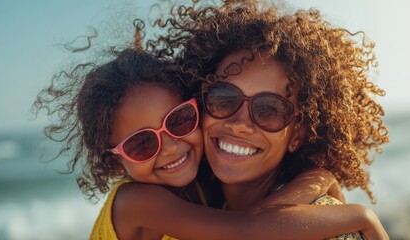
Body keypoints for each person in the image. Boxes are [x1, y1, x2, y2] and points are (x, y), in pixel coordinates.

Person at [34, 44, 387, 239]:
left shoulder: (205, 191)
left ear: (196, 110)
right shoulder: (136, 201)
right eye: (142, 144)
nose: (170, 147)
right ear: (115, 162)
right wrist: (360, 214)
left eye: (179, 121)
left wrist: (322, 181)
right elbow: (246, 231)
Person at [145, 0, 390, 238]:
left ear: (297, 135)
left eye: (270, 110)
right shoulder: (199, 207)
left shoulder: (328, 230)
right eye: (223, 98)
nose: (239, 123)